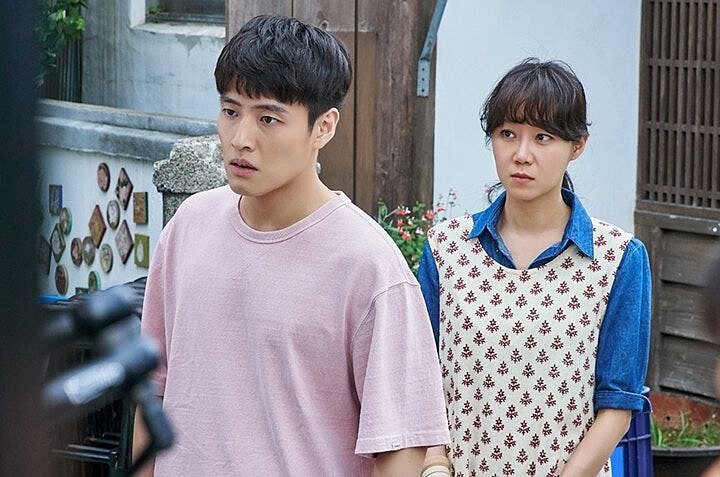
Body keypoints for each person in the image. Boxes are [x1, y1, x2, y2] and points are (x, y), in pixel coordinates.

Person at [133, 14, 450, 476]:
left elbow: (400, 447)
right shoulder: (188, 226)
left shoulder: (368, 265)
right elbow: (152, 391)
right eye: (231, 111)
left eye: (268, 118)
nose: (241, 139)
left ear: (324, 127)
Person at [417, 58, 651, 476]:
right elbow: (420, 376)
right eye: (507, 134)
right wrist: (434, 463)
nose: (521, 155)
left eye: (543, 137)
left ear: (577, 145)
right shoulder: (445, 249)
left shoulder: (618, 258)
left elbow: (618, 402)